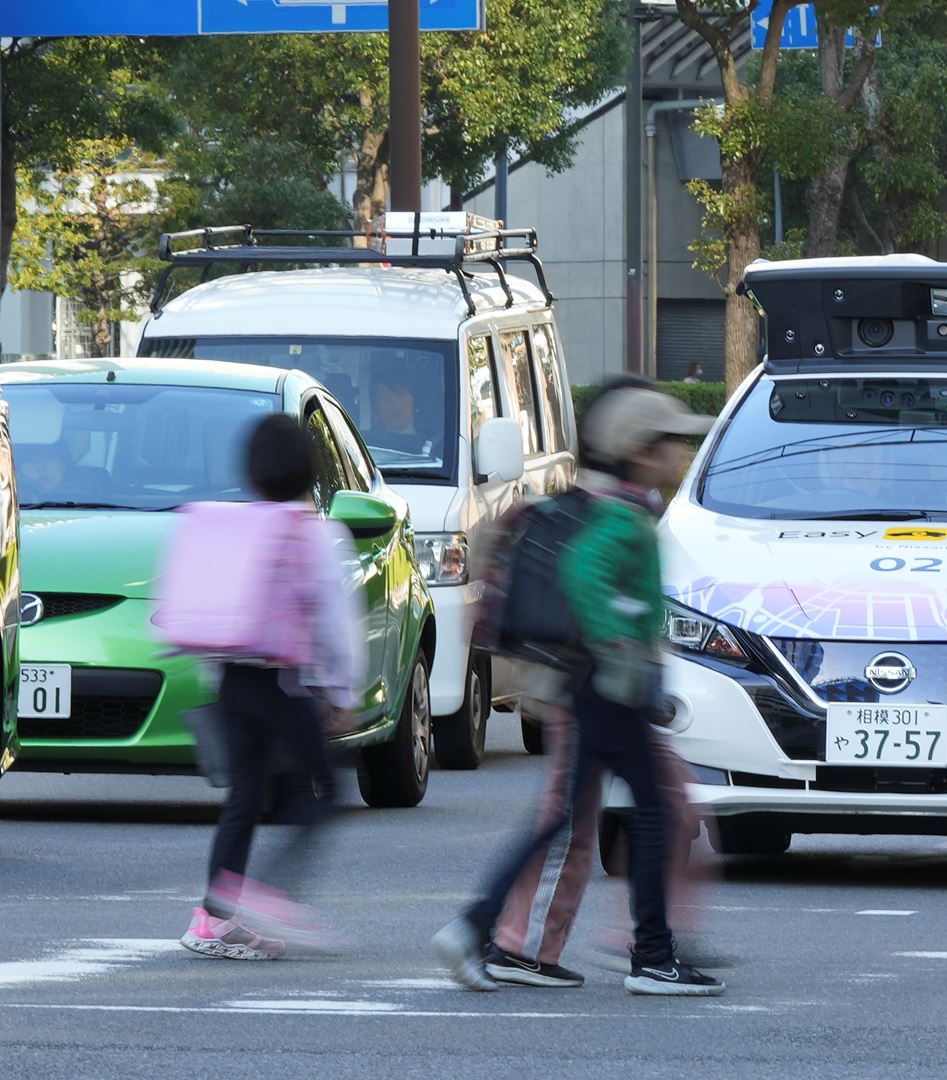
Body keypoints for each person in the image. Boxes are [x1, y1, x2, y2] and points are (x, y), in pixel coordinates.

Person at [435, 387, 722, 996]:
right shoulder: (623, 518)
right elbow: (584, 574)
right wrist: (619, 649)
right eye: (671, 443)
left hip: (589, 684)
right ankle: (651, 958)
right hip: (607, 687)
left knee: (573, 816)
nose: (680, 455)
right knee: (649, 810)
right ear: (642, 452)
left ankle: (476, 925)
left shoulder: (622, 509)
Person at [178, 414, 366, 960]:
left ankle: (212, 917)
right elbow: (334, 622)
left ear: (253, 473)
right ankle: (269, 893)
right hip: (284, 683)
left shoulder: (237, 527)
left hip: (233, 678)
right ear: (310, 470)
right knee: (328, 791)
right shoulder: (319, 534)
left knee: (244, 796)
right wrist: (342, 692)